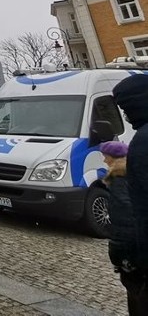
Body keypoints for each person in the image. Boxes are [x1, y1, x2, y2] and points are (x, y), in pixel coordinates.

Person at [114, 73, 148, 311]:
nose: (125, 115)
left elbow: (134, 209)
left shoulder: (142, 143)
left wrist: (127, 257)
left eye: (127, 107)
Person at [99, 140, 144, 314]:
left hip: (130, 250)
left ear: (113, 158)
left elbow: (124, 218)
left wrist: (118, 253)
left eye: (106, 157)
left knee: (136, 295)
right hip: (136, 246)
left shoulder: (118, 179)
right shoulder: (133, 174)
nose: (104, 161)